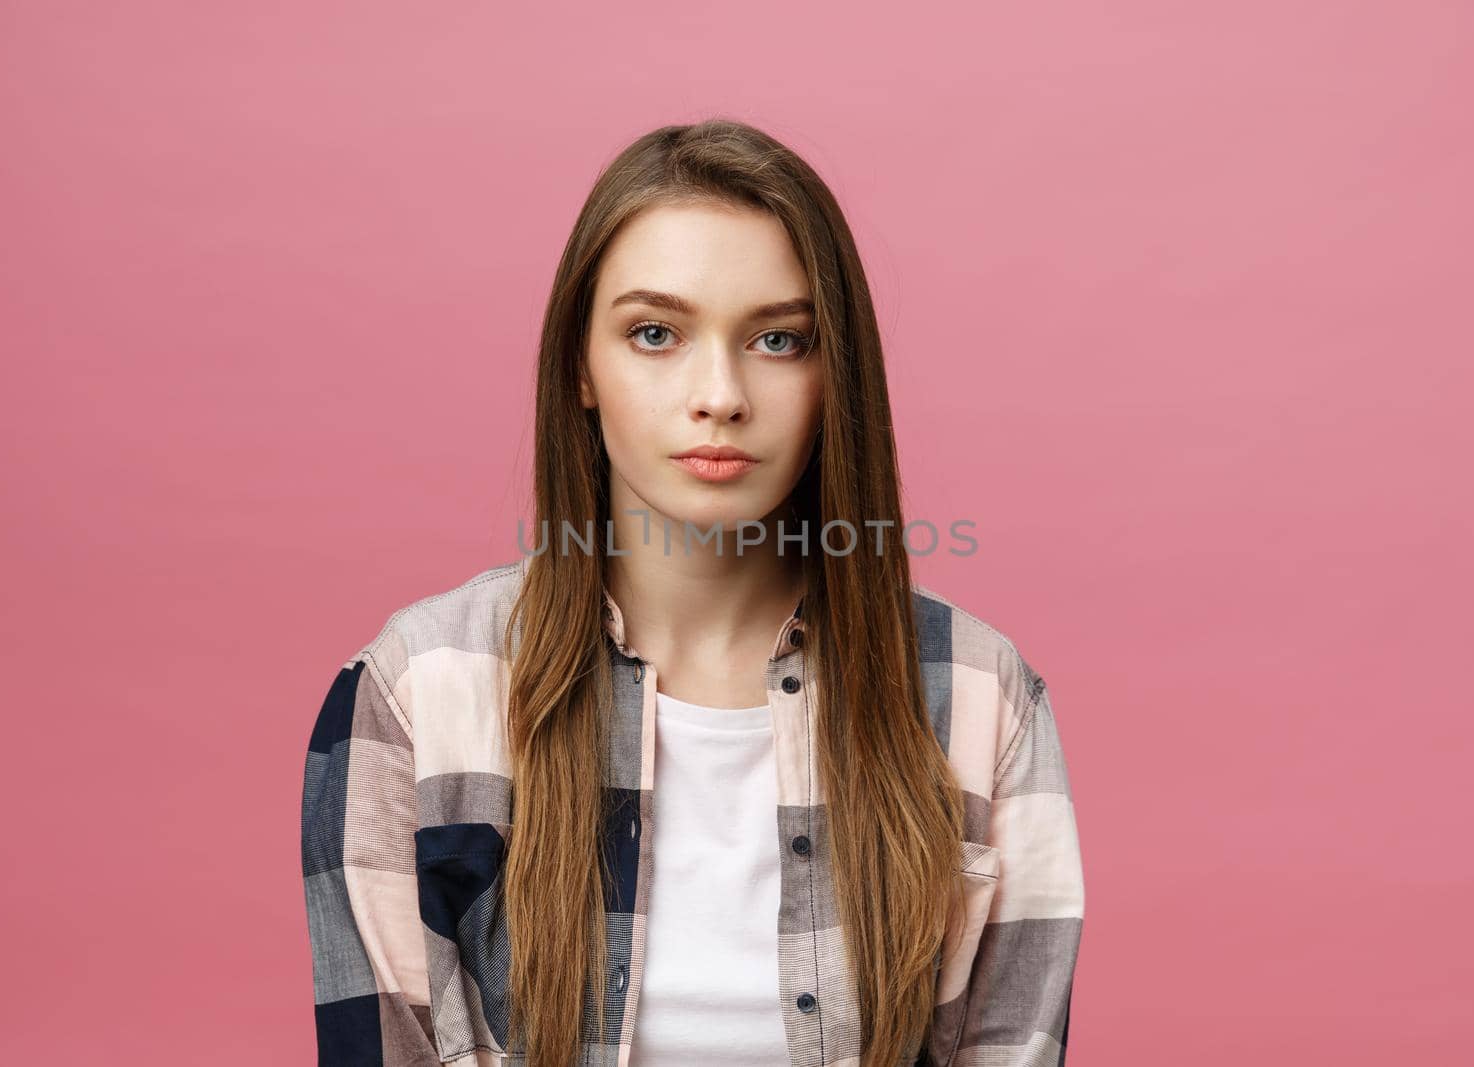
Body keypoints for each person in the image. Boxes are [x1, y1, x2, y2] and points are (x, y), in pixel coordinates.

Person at [300, 117, 1084, 1067]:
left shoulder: (982, 698)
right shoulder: (414, 696)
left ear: (838, 374)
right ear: (581, 369)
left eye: (781, 339)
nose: (720, 392)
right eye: (656, 333)